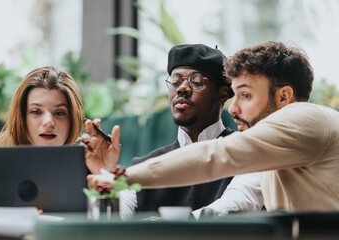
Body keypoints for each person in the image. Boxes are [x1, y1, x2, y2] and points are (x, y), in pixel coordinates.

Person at [88, 41, 339, 212]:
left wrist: (120, 177)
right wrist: (110, 183)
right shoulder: (276, 152)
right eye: (175, 81)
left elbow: (216, 156)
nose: (233, 108)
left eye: (246, 96)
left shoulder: (305, 118)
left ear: (283, 97)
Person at [83, 44, 263, 217]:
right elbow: (115, 219)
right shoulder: (146, 164)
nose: (182, 89)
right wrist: (104, 177)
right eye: (175, 82)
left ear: (222, 93)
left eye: (196, 81)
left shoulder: (245, 152)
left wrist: (162, 228)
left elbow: (236, 205)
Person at [0, 66, 84, 147]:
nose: (48, 122)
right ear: (21, 116)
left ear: (74, 119)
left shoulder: (88, 157)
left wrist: (97, 168)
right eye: (36, 111)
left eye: (59, 113)